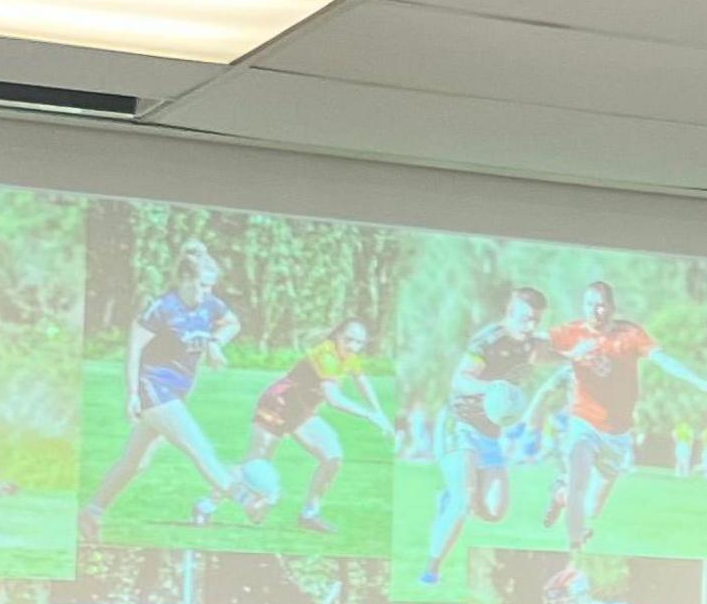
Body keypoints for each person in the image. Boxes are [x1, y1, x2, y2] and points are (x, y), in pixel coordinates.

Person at [78, 242, 254, 547]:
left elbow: (232, 323)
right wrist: (132, 393)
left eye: (211, 286)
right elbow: (133, 349)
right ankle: (245, 497)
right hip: (154, 388)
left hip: (176, 392)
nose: (208, 292)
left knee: (135, 463)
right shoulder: (162, 308)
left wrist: (215, 342)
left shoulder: (210, 306)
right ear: (185, 279)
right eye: (202, 285)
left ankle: (91, 512)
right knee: (198, 447)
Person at [543, 280, 705, 553]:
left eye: (601, 304)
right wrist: (570, 354)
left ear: (612, 307)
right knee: (579, 483)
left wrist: (694, 379)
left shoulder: (629, 334)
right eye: (589, 305)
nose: (596, 311)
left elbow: (661, 359)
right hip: (582, 421)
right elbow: (538, 348)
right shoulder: (572, 332)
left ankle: (560, 494)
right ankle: (574, 547)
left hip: (617, 433)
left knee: (592, 508)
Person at [419, 286, 556, 586]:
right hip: (460, 423)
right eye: (524, 318)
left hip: (489, 434)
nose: (530, 325)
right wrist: (494, 389)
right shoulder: (488, 341)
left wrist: (579, 354)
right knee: (464, 498)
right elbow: (460, 380)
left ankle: (449, 496)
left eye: (535, 320)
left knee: (494, 511)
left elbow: (551, 353)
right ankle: (431, 568)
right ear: (509, 313)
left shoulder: (531, 343)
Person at [236, 315, 392, 537]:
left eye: (359, 342)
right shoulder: (325, 354)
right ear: (338, 335)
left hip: (300, 411)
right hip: (278, 405)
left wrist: (380, 413)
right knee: (254, 465)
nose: (353, 346)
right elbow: (334, 399)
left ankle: (309, 515)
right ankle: (207, 504)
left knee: (333, 457)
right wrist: (368, 415)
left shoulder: (349, 356)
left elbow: (362, 381)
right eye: (349, 339)